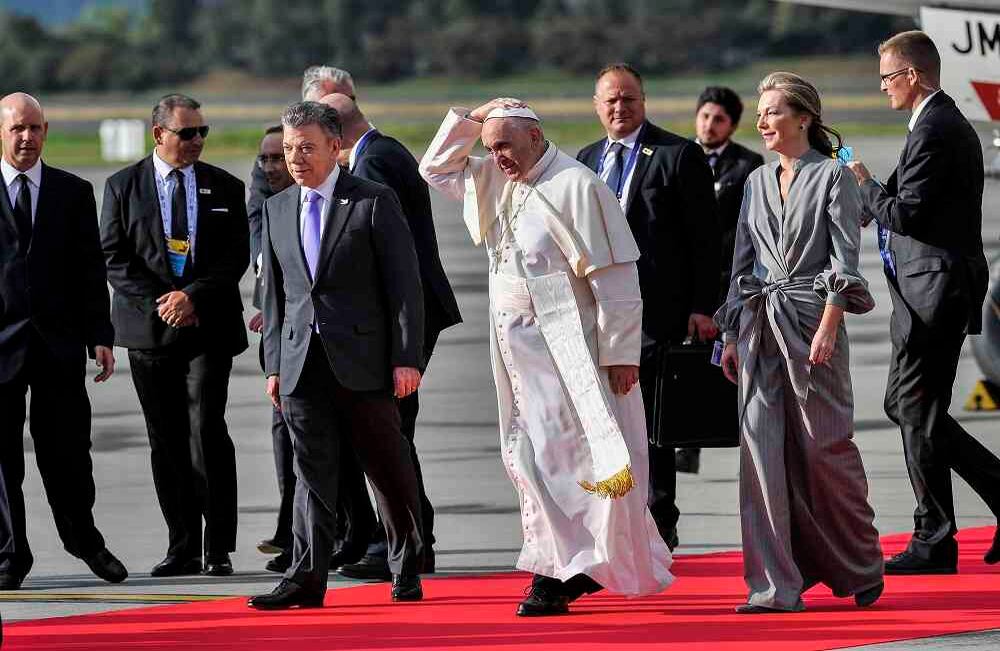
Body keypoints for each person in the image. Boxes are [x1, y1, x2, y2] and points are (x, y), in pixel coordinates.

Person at [420, 98, 673, 617]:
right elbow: (435, 168)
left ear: (535, 137)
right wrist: (474, 118)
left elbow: (617, 279)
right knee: (529, 456)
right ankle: (562, 562)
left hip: (568, 343)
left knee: (570, 460)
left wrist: (621, 353)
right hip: (514, 344)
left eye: (505, 145)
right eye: (491, 148)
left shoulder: (578, 186)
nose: (497, 157)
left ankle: (569, 570)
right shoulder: (497, 177)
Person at [715, 72, 884, 613]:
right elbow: (742, 264)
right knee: (760, 454)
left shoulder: (834, 175)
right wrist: (731, 334)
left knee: (823, 449)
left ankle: (859, 562)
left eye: (773, 112)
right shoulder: (755, 181)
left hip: (814, 323)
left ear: (804, 119)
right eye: (761, 113)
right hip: (759, 324)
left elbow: (845, 259)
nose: (762, 121)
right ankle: (773, 586)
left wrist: (831, 323)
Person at [249, 101, 427, 609]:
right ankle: (306, 579)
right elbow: (275, 296)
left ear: (335, 146)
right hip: (300, 363)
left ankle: (405, 562)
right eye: (288, 148)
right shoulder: (277, 207)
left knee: (387, 470)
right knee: (310, 474)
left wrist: (406, 358)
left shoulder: (372, 200)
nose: (295, 158)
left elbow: (404, 287)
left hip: (364, 363)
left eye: (306, 147)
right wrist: (274, 365)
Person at [847, 31, 998, 575]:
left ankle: (934, 539)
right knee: (911, 408)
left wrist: (862, 180)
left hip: (933, 293)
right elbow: (904, 203)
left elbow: (904, 213)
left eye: (887, 77)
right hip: (927, 292)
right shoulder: (933, 124)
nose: (883, 87)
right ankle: (954, 522)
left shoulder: (935, 128)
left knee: (913, 409)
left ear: (912, 75)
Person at [101, 94, 249, 578]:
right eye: (187, 133)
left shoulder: (224, 186)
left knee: (206, 430)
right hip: (150, 332)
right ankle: (182, 544)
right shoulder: (123, 186)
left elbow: (235, 256)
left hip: (208, 328)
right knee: (165, 440)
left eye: (202, 131)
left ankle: (217, 546)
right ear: (158, 134)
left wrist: (193, 298)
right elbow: (114, 257)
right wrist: (163, 303)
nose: (197, 141)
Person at [576, 64, 721, 548]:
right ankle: (615, 515)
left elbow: (706, 240)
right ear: (597, 106)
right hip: (599, 314)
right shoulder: (586, 160)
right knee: (604, 420)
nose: (620, 107)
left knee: (652, 423)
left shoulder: (677, 155)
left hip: (657, 313)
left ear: (644, 101)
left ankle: (660, 520)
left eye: (629, 99)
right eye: (611, 100)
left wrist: (703, 307)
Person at [321, 93, 462, 582]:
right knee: (391, 432)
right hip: (407, 315)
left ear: (335, 135)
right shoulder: (385, 150)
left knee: (387, 434)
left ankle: (405, 543)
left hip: (397, 320)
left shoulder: (374, 164)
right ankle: (409, 541)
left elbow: (379, 252)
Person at [0, 93, 127, 590]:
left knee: (69, 451)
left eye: (35, 128)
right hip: (1, 346)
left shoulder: (72, 191)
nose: (27, 137)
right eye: (17, 128)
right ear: (1, 132)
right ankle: (10, 554)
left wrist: (100, 335)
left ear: (46, 131)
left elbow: (89, 269)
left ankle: (84, 540)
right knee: (1, 459)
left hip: (58, 344)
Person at [676, 86, 765, 475]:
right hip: (686, 279)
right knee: (685, 361)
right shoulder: (679, 156)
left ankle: (732, 430)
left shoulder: (746, 164)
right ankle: (685, 439)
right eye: (705, 116)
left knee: (725, 359)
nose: (709, 125)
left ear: (732, 125)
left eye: (719, 119)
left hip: (727, 279)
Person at [247, 126, 296, 573]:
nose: (270, 167)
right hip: (280, 343)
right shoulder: (263, 200)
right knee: (285, 438)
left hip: (315, 342)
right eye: (264, 159)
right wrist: (269, 302)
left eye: (278, 157)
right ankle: (292, 529)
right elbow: (263, 261)